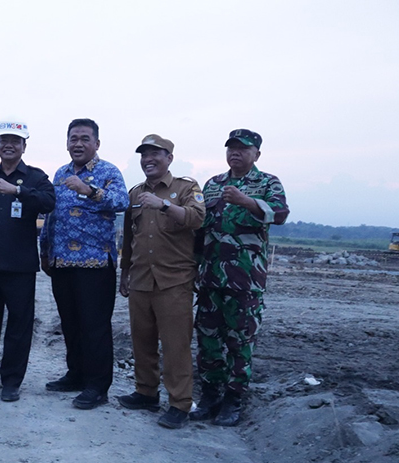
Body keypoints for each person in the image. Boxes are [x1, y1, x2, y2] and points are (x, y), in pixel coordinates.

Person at [192, 129, 289, 426]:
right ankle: (210, 394)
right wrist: (194, 266)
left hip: (245, 280)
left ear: (256, 154)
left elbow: (280, 214)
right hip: (210, 277)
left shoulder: (268, 183)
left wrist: (246, 201)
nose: (235, 153)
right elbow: (200, 228)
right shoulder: (213, 184)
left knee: (240, 340)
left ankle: (233, 399)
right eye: (231, 148)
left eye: (243, 149)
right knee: (208, 338)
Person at [39, 118, 129, 410]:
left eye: (84, 139)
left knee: (94, 326)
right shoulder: (60, 173)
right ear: (67, 143)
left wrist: (89, 190)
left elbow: (122, 201)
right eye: (73, 139)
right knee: (70, 323)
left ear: (97, 143)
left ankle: (97, 386)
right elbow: (52, 215)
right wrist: (45, 250)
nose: (78, 144)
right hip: (61, 261)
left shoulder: (108, 172)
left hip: (95, 263)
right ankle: (75, 374)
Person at [117, 134, 204, 428]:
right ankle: (146, 392)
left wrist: (163, 205)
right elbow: (129, 237)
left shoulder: (186, 187)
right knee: (142, 341)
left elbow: (197, 218)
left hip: (174, 282)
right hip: (141, 279)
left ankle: (180, 403)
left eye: (155, 154)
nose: (148, 159)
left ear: (169, 158)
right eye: (144, 155)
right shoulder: (135, 194)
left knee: (175, 346)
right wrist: (125, 272)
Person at [0, 118, 55, 402]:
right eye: (4, 140)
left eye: (15, 141)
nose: (9, 145)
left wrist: (17, 190)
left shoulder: (36, 177)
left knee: (19, 326)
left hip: (19, 267)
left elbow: (48, 202)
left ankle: (12, 380)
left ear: (24, 146)